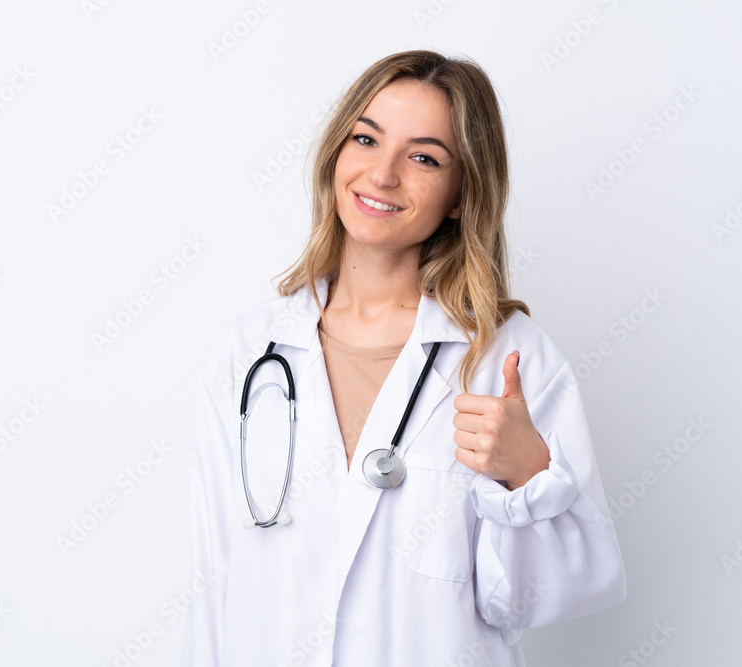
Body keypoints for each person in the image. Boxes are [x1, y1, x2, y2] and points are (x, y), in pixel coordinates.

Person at [181, 49, 626, 667]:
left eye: (423, 157)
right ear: (336, 155)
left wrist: (527, 474)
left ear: (459, 193)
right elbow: (214, 579)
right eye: (366, 139)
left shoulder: (509, 358)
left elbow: (556, 592)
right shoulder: (250, 353)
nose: (382, 174)